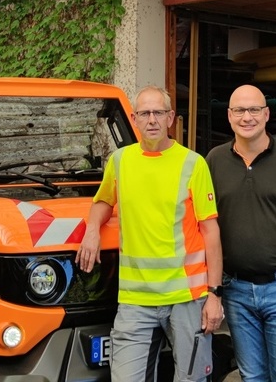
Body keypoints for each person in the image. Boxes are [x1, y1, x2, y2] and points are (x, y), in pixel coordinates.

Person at [76, 85, 223, 381]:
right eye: (144, 113)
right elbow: (103, 201)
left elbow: (211, 232)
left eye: (158, 112)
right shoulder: (120, 161)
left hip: (187, 297)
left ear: (170, 117)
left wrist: (214, 295)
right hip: (136, 300)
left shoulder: (193, 164)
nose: (152, 120)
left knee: (192, 378)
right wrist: (92, 229)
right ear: (134, 119)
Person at [206, 84, 276, 381]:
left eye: (254, 109)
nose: (247, 117)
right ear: (229, 116)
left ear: (266, 114)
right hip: (236, 289)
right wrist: (212, 289)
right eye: (239, 110)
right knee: (252, 376)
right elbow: (206, 226)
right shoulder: (214, 160)